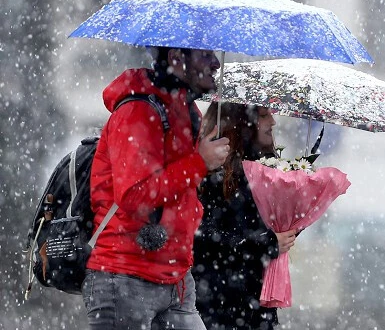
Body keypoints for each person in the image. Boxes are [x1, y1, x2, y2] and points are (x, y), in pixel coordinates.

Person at [84, 47, 230, 330]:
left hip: (175, 279)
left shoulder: (185, 111)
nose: (215, 63)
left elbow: (178, 188)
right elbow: (134, 196)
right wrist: (199, 162)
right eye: (204, 55)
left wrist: (208, 165)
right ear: (176, 57)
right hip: (124, 277)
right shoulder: (138, 111)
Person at [193, 102, 298, 330]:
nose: (273, 122)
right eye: (263, 115)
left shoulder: (267, 170)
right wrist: (267, 244)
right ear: (243, 123)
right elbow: (203, 237)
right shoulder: (213, 174)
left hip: (255, 302)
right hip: (218, 303)